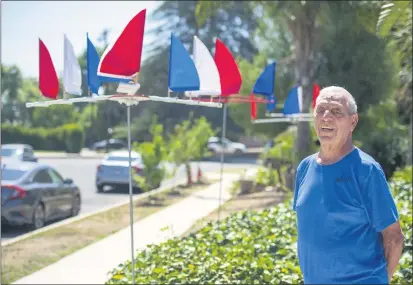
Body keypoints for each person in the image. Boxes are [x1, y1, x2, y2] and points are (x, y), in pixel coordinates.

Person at [293, 86, 404, 284]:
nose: (326, 117)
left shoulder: (366, 170)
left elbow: (394, 237)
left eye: (336, 111)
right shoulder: (304, 168)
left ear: (353, 121)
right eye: (320, 110)